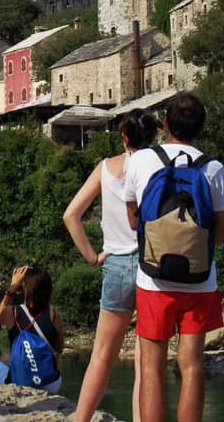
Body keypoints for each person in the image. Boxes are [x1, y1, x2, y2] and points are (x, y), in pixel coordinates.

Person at [124, 94, 224, 422]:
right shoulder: (213, 168)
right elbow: (220, 232)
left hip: (154, 280)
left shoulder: (140, 161)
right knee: (192, 365)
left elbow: (133, 220)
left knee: (152, 367)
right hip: (200, 280)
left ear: (165, 123)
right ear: (200, 127)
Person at [63, 109, 158, 422]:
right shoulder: (157, 168)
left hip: (115, 263)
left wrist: (91, 256)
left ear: (124, 136)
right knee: (145, 361)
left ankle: (81, 419)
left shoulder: (106, 167)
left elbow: (71, 215)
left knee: (102, 355)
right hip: (150, 264)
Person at [0, 264, 65, 393]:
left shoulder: (13, 313)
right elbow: (59, 349)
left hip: (22, 383)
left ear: (26, 288)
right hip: (51, 384)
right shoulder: (54, 316)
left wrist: (13, 286)